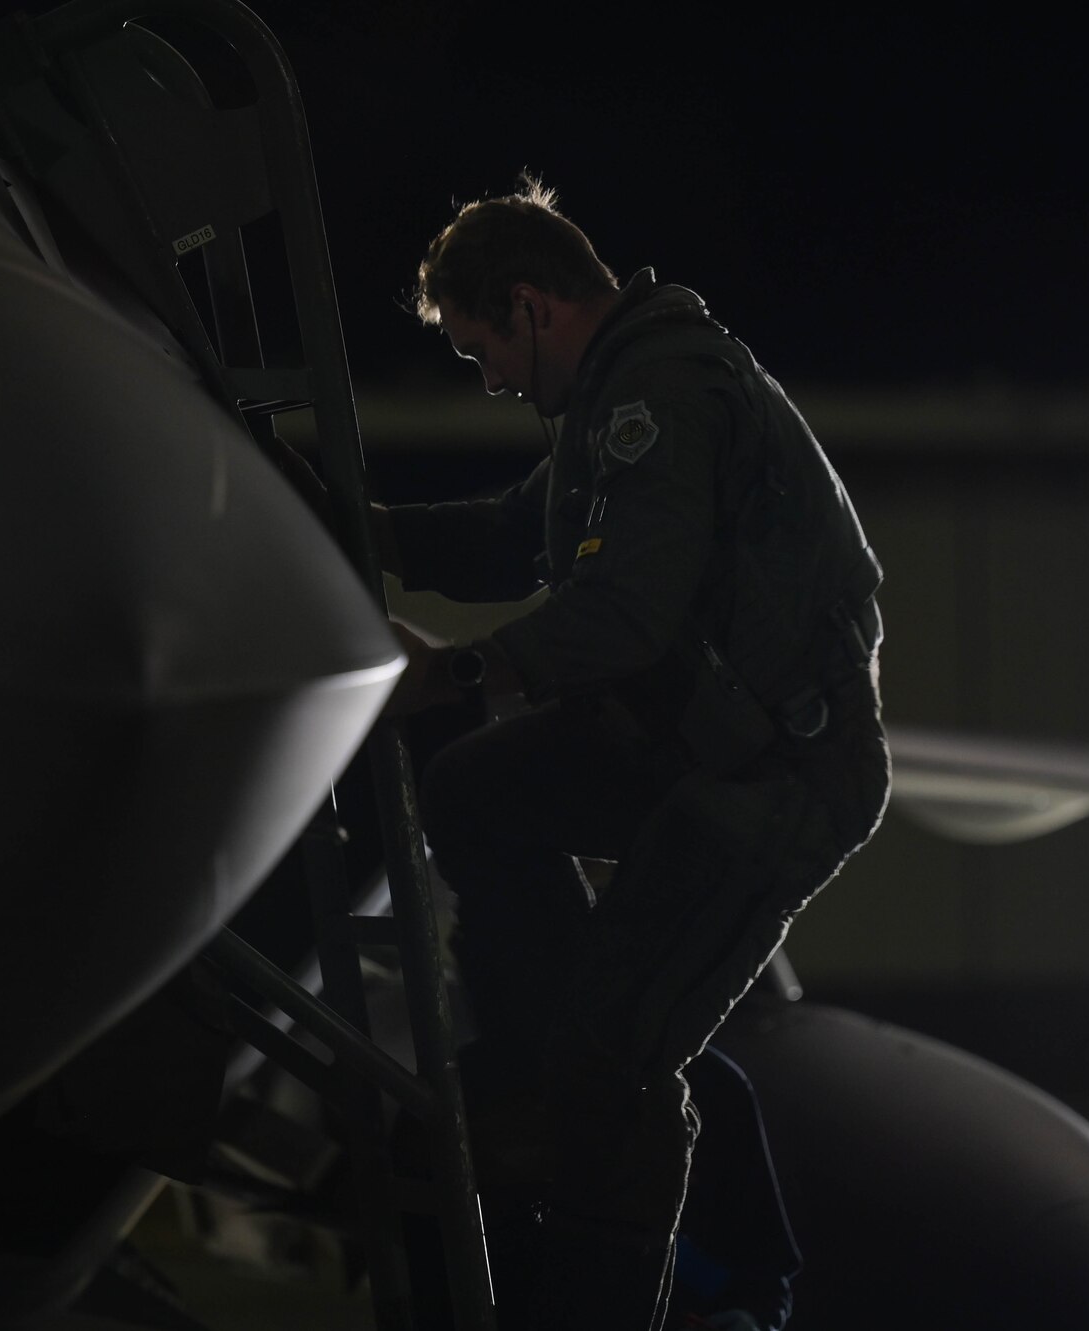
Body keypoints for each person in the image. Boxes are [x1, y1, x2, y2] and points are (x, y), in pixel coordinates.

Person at [376, 176, 889, 1331]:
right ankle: (551, 1062)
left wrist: (451, 672)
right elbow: (518, 534)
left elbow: (621, 618)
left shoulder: (659, 394)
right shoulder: (620, 402)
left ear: (530, 304)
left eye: (483, 351)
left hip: (772, 784)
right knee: (470, 788)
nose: (495, 381)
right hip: (694, 749)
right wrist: (362, 528)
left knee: (613, 1067)